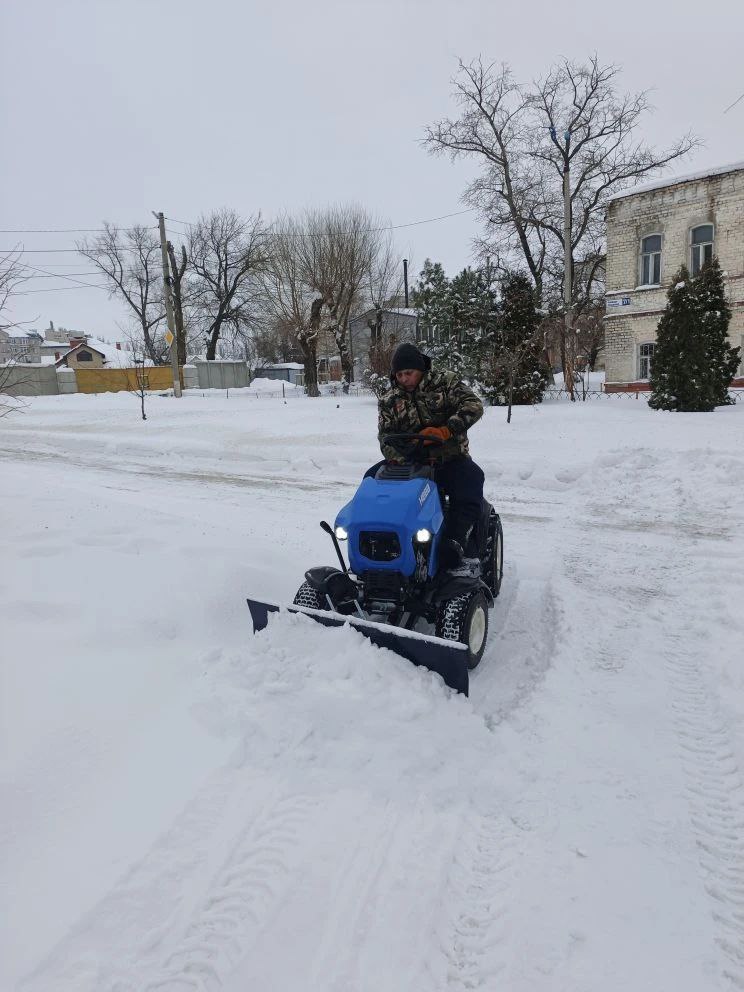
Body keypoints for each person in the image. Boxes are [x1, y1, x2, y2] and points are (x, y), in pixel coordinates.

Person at [367, 342, 485, 571]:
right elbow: (385, 436)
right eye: (399, 375)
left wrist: (446, 430)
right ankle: (379, 539)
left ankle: (456, 540)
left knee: (471, 479)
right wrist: (399, 459)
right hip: (409, 462)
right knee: (371, 479)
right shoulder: (389, 399)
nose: (404, 379)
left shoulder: (445, 383)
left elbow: (474, 405)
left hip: (448, 458)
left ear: (420, 369)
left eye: (408, 373)